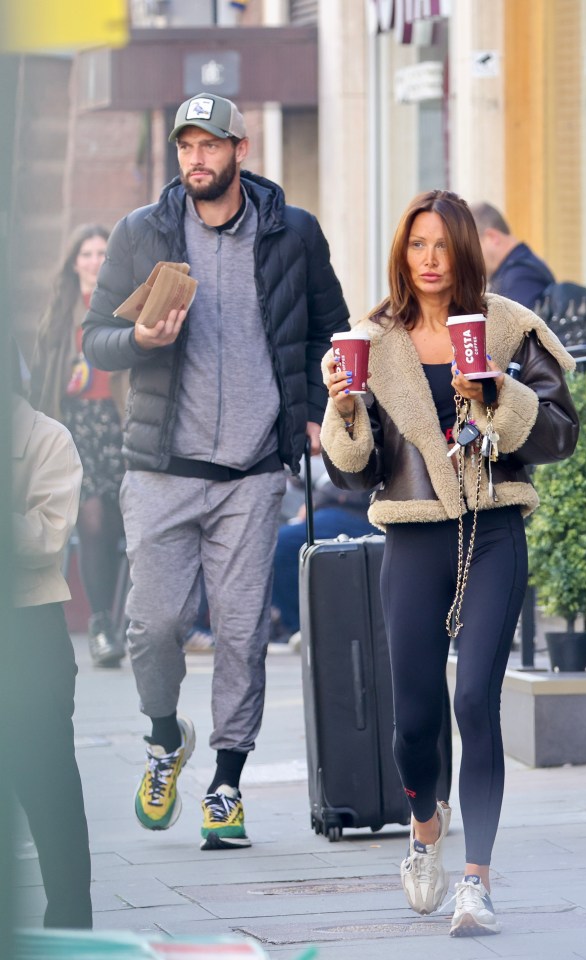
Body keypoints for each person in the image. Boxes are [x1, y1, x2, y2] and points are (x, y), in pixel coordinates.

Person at [82, 93, 349, 850]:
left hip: (254, 470)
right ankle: (167, 739)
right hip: (162, 466)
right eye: (184, 147)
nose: (195, 159)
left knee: (240, 634)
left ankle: (227, 784)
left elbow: (330, 331)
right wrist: (136, 337)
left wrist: (316, 405)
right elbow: (93, 339)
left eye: (209, 145)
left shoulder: (292, 233)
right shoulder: (141, 233)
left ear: (240, 146)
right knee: (154, 625)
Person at [320, 190, 578, 937]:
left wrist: (502, 395)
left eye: (441, 245)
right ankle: (425, 825)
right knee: (416, 722)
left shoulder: (508, 328)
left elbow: (560, 433)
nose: (428, 260)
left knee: (474, 706)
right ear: (403, 253)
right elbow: (351, 470)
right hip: (413, 537)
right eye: (416, 245)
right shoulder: (370, 339)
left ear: (465, 249)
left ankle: (478, 881)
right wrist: (343, 410)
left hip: (493, 532)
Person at [9, 338, 93, 928]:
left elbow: (45, 539)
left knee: (47, 788)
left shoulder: (46, 439)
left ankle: (69, 921)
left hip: (28, 635)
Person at [30, 224, 127, 668]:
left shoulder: (120, 304)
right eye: (86, 253)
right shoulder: (60, 311)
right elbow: (43, 373)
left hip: (119, 422)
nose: (93, 260)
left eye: (100, 252)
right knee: (91, 523)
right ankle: (101, 623)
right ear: (74, 262)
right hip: (76, 425)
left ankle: (124, 622)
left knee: (123, 526)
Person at [270, 467, 376, 644]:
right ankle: (301, 626)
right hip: (335, 507)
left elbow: (353, 480)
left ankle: (303, 627)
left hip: (355, 511)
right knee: (277, 542)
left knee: (280, 544)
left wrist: (317, 501)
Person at [469, 202, 555, 311]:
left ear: (492, 237)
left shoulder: (520, 277)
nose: (468, 258)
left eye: (470, 249)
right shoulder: (519, 271)